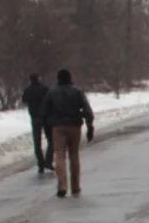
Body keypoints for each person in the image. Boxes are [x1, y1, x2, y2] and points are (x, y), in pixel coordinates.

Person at [42, 68, 96, 198]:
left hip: (58, 127)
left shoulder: (52, 93)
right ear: (70, 78)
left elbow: (44, 112)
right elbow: (87, 110)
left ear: (58, 79)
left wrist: (48, 128)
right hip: (74, 126)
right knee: (74, 155)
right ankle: (75, 186)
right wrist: (90, 126)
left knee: (59, 156)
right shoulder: (77, 92)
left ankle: (62, 186)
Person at [22, 73, 51, 173]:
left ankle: (41, 164)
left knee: (37, 142)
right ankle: (48, 160)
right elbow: (50, 100)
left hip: (34, 118)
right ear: (39, 79)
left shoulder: (28, 90)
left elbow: (24, 100)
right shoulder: (45, 89)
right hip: (46, 117)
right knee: (51, 139)